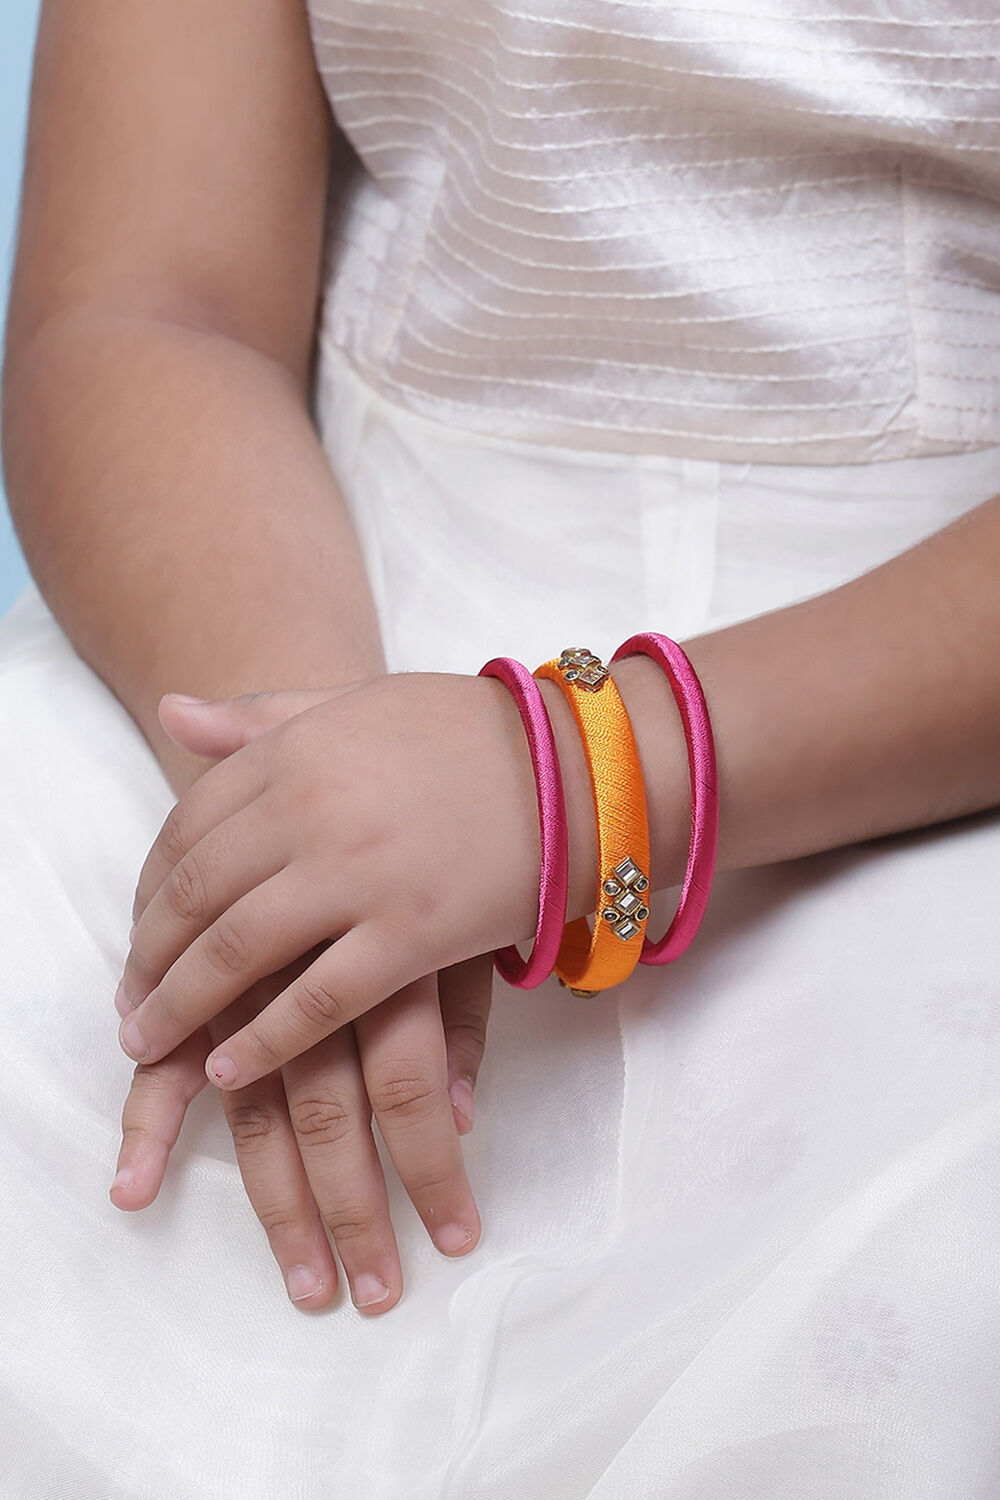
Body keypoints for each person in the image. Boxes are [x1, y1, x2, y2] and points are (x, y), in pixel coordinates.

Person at [2, 0, 999, 1494]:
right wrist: (302, 813)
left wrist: (566, 780)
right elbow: (149, 301)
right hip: (269, 607)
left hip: (917, 710)